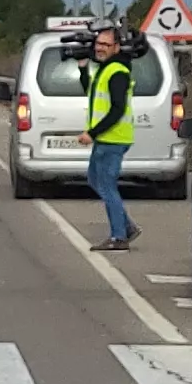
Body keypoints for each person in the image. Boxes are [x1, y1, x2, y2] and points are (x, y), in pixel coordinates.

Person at [84, 23, 137, 248]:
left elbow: (116, 109)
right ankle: (126, 226)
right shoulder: (105, 68)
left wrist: (92, 132)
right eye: (98, 43)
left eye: (106, 44)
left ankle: (119, 237)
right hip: (105, 138)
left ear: (116, 47)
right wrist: (81, 68)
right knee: (95, 180)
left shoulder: (117, 72)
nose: (100, 48)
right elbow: (91, 92)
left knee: (106, 185)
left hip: (113, 138)